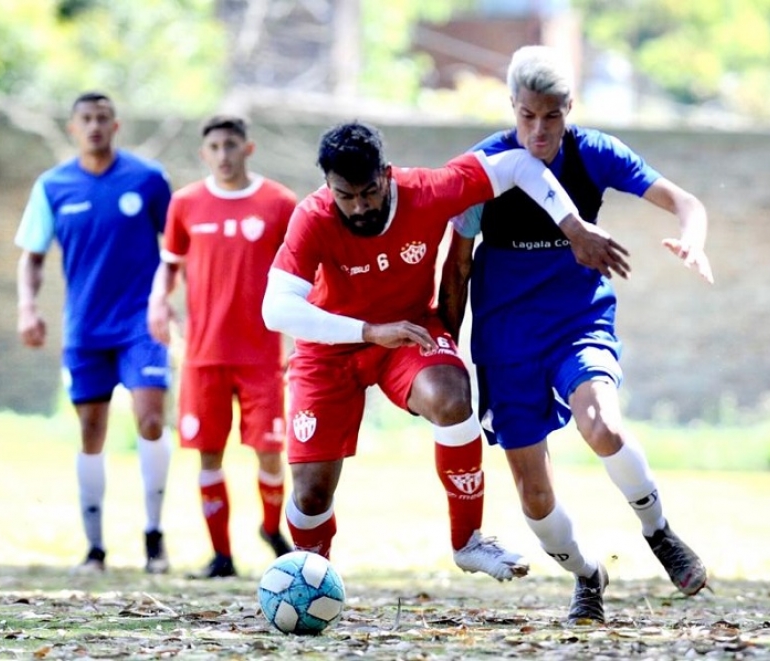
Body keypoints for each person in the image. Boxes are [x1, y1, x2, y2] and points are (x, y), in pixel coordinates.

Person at [261, 121, 625, 581]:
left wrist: (572, 226)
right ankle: (313, 578)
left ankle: (468, 541)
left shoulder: (429, 190)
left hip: (409, 333)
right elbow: (276, 309)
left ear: (387, 175)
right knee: (312, 495)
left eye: (369, 192)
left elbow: (515, 164)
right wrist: (370, 331)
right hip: (329, 346)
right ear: (328, 187)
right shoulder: (312, 217)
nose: (358, 207)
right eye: (344, 195)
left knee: (453, 398)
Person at [439, 45, 714, 624]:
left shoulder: (594, 154)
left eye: (552, 116)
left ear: (569, 108)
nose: (539, 130)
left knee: (603, 425)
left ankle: (659, 533)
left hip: (576, 321)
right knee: (535, 497)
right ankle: (588, 576)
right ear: (512, 107)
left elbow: (686, 202)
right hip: (504, 337)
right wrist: (444, 343)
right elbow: (458, 263)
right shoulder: (482, 167)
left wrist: (693, 238)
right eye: (527, 117)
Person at [15, 91, 173, 574]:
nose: (95, 126)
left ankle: (153, 538)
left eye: (103, 118)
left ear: (116, 125)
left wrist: (167, 303)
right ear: (73, 128)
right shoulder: (53, 186)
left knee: (150, 418)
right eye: (86, 119)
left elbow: (177, 249)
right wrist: (27, 308)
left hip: (140, 324)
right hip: (84, 328)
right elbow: (33, 258)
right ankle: (95, 548)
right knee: (91, 431)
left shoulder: (147, 180)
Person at [148, 115, 297, 578]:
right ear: (203, 153)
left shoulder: (279, 203)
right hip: (204, 354)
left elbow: (301, 272)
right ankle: (222, 557)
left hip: (261, 354)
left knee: (271, 452)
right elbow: (169, 265)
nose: (223, 154)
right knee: (208, 452)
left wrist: (300, 333)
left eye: (231, 145)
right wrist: (159, 303)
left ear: (248, 148)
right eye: (214, 146)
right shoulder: (186, 204)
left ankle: (272, 529)